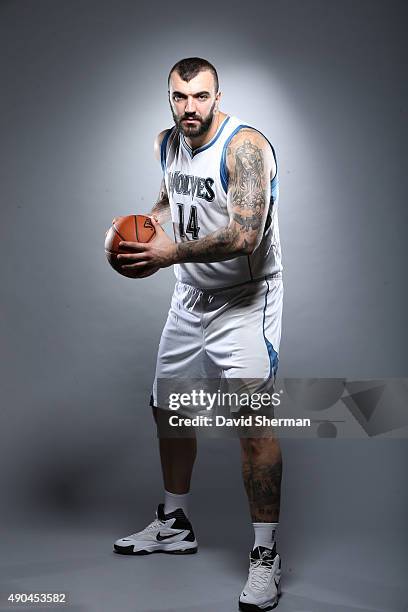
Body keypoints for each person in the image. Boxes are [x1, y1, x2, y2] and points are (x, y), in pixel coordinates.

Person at [113, 57, 283, 611]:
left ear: (217, 95)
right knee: (169, 407)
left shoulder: (245, 147)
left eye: (200, 97)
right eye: (180, 97)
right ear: (169, 97)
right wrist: (145, 228)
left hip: (245, 301)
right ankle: (175, 522)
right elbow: (170, 196)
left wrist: (168, 254)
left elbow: (245, 233)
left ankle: (265, 555)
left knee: (253, 424)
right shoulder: (168, 141)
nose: (190, 108)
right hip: (189, 298)